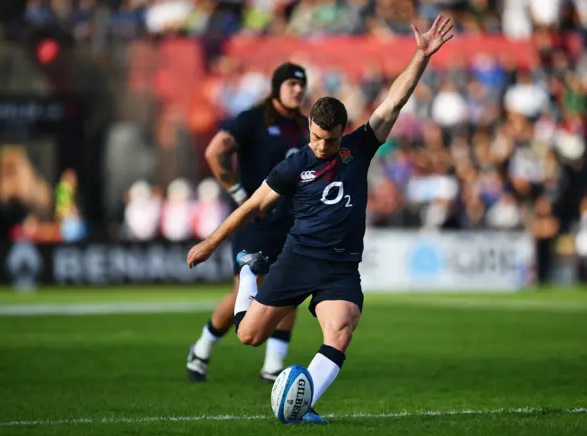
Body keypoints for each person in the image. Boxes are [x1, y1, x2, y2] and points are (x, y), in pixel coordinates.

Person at [187, 16, 454, 423]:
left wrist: (420, 55)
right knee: (249, 335)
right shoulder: (295, 164)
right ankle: (248, 275)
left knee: (342, 329)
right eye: (315, 137)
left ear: (342, 131)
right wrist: (210, 242)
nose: (321, 145)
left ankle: (301, 405)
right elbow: (253, 206)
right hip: (297, 259)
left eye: (328, 140)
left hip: (340, 267)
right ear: (309, 128)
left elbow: (395, 101)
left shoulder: (359, 147)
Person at [186, 62, 310, 383]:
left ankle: (272, 367)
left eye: (301, 85)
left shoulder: (304, 126)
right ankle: (202, 347)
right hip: (254, 220)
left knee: (289, 291)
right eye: (291, 85)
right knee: (245, 290)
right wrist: (241, 196)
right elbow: (216, 152)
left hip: (290, 221)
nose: (298, 90)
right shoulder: (253, 120)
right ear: (276, 87)